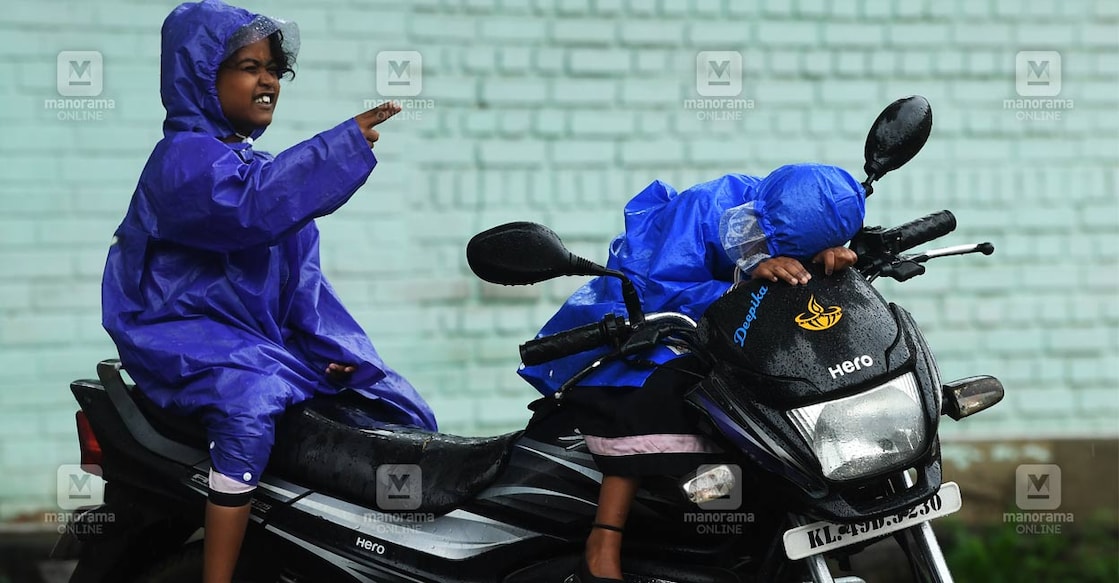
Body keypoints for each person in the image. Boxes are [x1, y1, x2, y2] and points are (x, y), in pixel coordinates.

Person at [100, 2, 437, 582]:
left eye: (275, 70)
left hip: (251, 340)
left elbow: (300, 284)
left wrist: (325, 348)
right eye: (248, 66)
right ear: (201, 74)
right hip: (181, 334)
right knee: (248, 401)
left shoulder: (256, 167)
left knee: (395, 406)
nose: (267, 81)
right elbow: (250, 209)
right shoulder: (183, 160)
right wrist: (341, 146)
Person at [518, 164, 867, 583]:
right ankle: (604, 540)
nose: (760, 240)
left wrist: (830, 263)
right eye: (761, 233)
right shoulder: (704, 209)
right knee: (651, 396)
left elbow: (802, 277)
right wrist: (743, 282)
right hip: (642, 322)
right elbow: (655, 284)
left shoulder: (812, 223)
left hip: (731, 339)